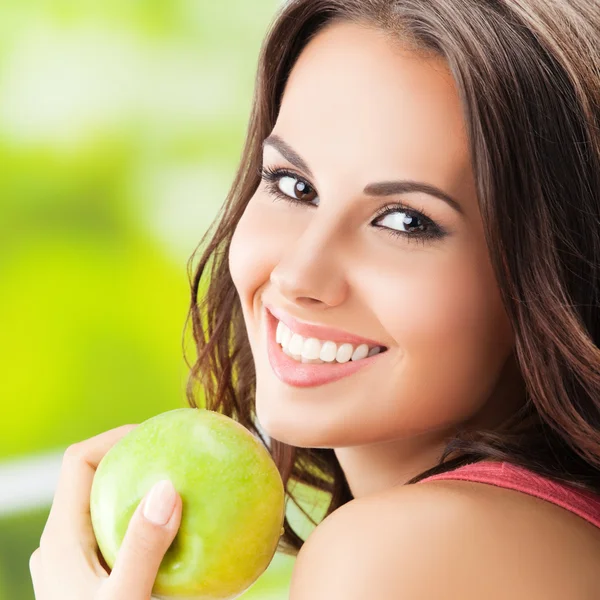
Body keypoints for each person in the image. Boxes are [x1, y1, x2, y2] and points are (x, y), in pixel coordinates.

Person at [30, 0, 600, 598]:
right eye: (293, 185)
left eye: (405, 221)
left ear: (553, 276)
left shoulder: (391, 558)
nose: (300, 274)